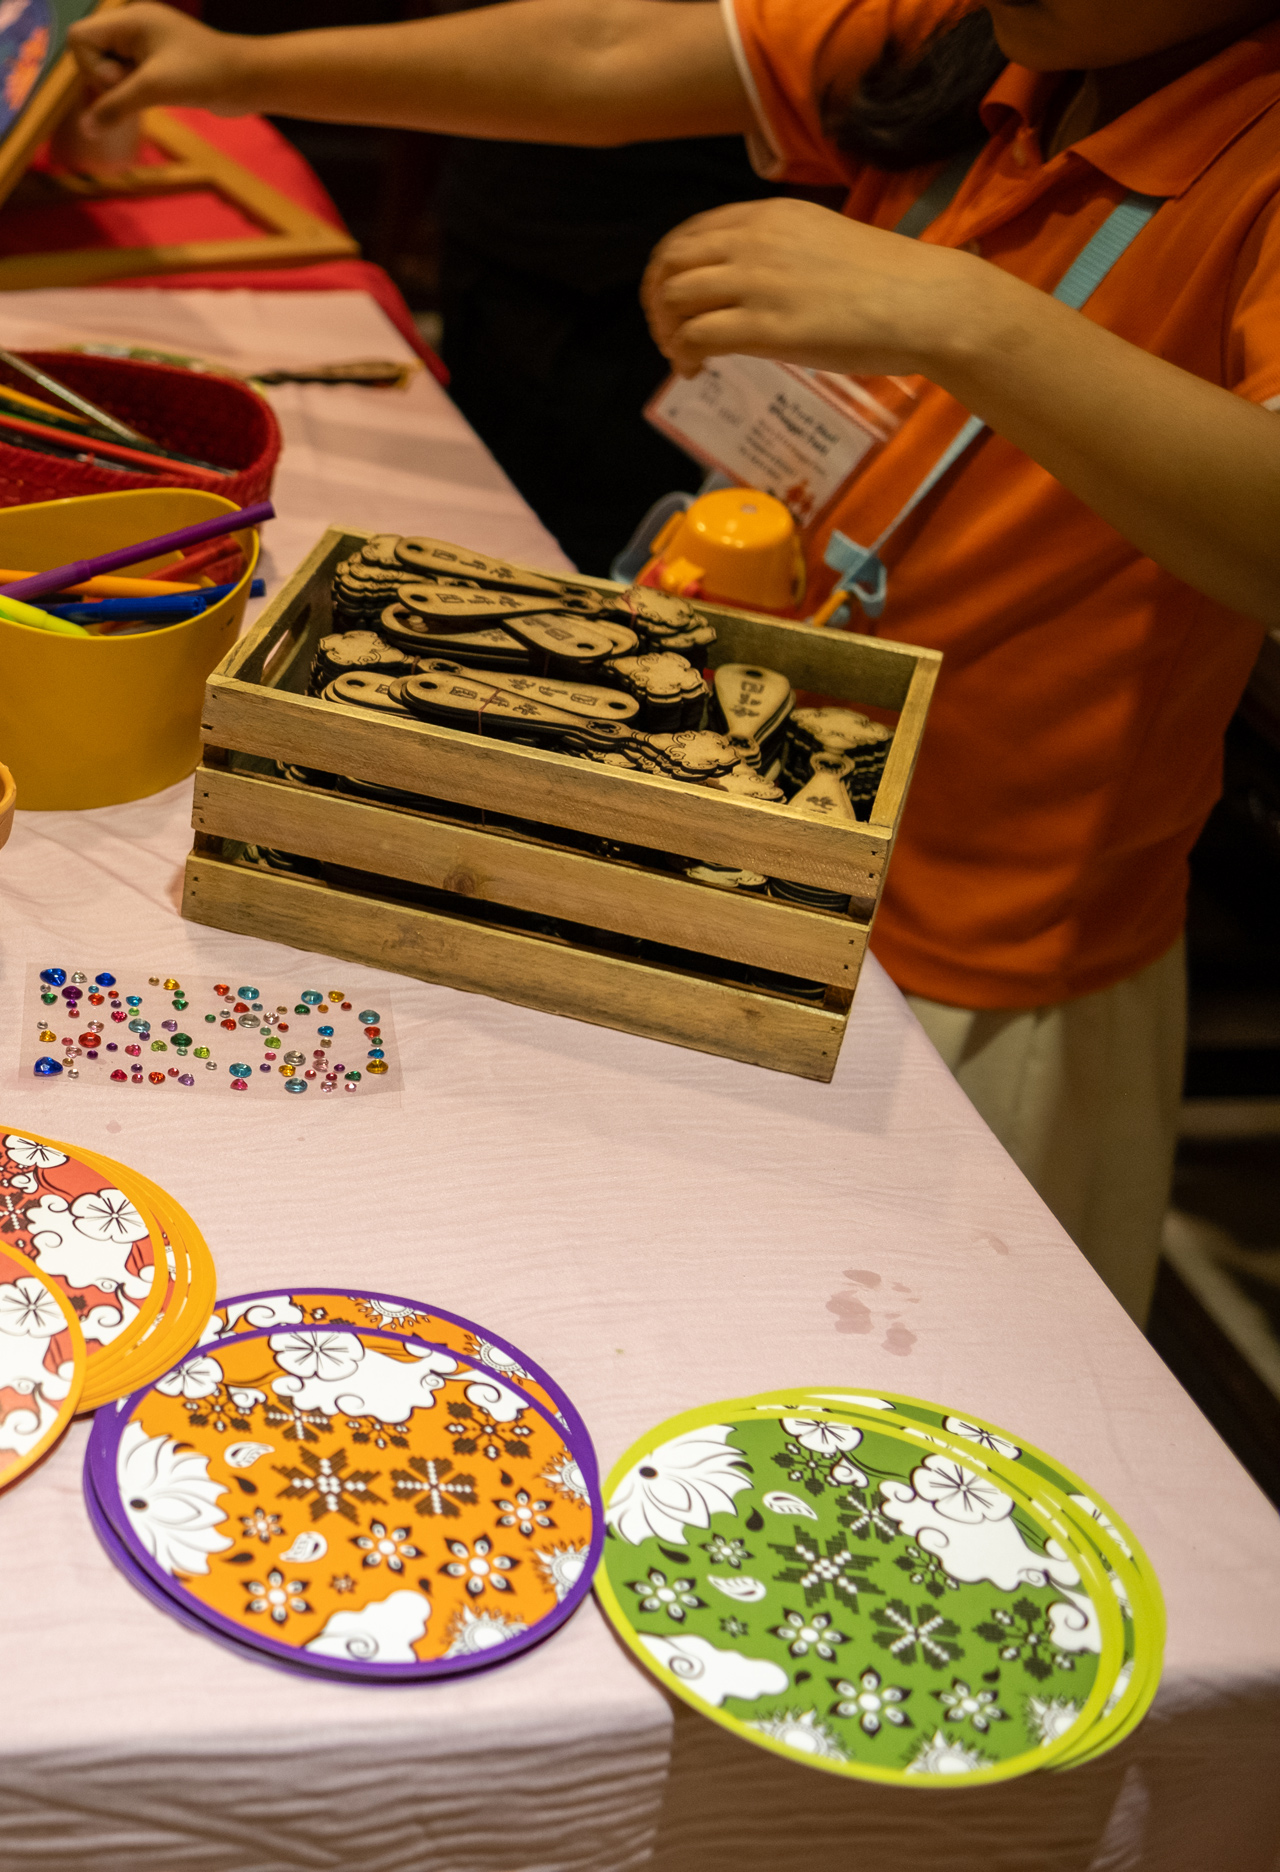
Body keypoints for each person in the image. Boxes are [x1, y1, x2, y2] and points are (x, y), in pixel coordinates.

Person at [68, 0, 1280, 1318]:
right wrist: (239, 68)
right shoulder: (974, 35)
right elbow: (598, 55)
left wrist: (970, 319)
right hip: (705, 844)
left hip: (970, 961)